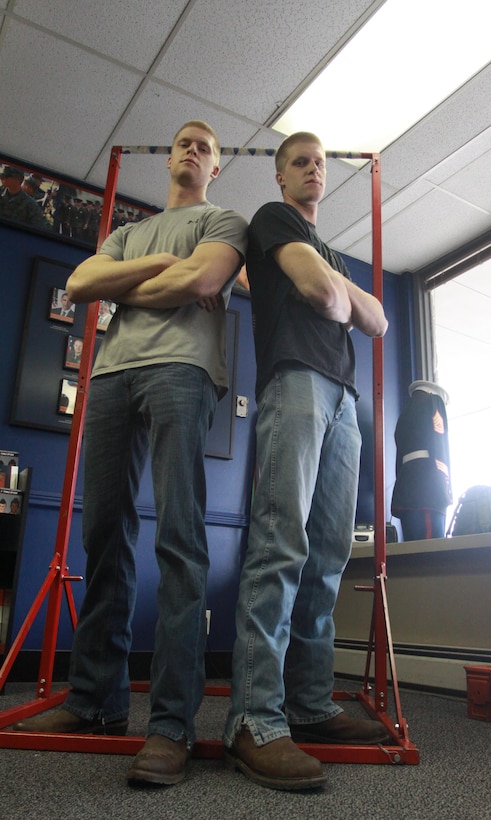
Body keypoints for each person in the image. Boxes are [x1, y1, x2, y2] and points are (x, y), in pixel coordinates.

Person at [13, 120, 248, 787]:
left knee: (178, 539)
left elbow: (200, 284)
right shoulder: (124, 232)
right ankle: (95, 704)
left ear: (216, 166)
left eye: (205, 146)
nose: (192, 150)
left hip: (183, 372)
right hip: (112, 376)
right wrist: (148, 269)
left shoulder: (224, 221)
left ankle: (170, 725)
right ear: (170, 157)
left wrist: (126, 283)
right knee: (102, 535)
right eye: (184, 142)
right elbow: (84, 284)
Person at [223, 131, 390, 791]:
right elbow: (326, 300)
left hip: (345, 401)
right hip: (294, 380)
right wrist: (341, 296)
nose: (312, 169)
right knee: (280, 545)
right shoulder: (274, 221)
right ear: (280, 177)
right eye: (299, 161)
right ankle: (254, 719)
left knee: (326, 554)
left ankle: (310, 705)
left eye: (319, 162)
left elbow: (375, 320)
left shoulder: (329, 250)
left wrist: (340, 290)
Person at [391, 380, 452, 540]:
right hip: (429, 488)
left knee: (413, 549)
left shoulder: (406, 413)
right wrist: (444, 487)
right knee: (431, 551)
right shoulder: (432, 402)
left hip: (407, 487)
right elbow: (439, 444)